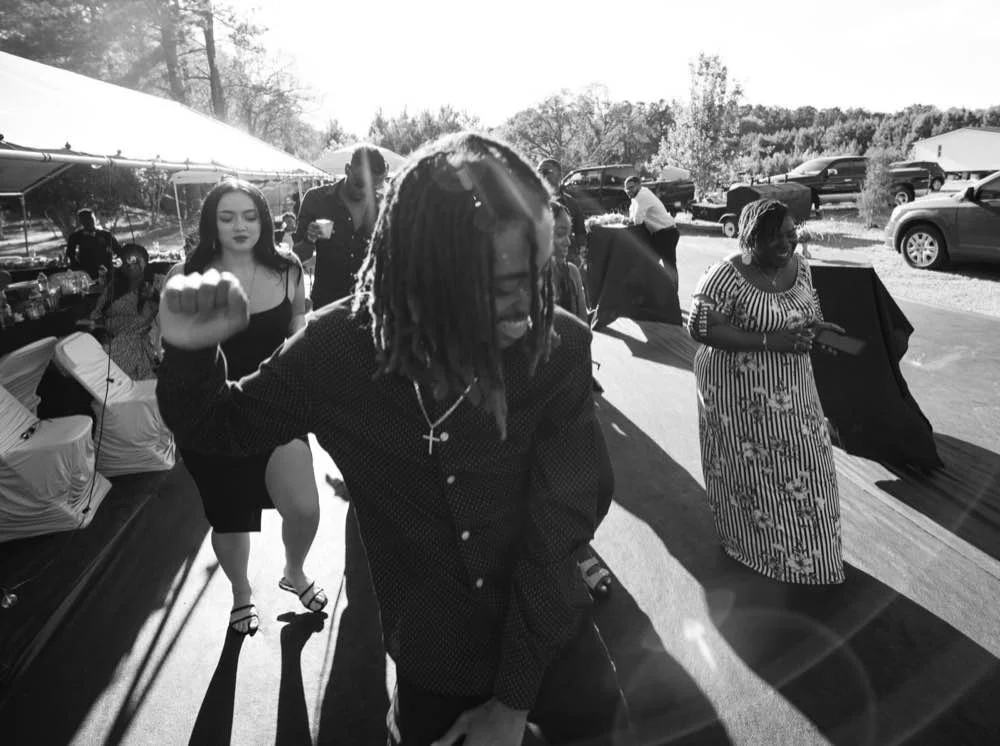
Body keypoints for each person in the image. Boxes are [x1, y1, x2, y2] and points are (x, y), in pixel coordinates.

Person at [156, 133, 630, 745]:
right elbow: (220, 426)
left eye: (534, 271)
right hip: (436, 666)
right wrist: (191, 353)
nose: (526, 306)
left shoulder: (556, 348)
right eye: (497, 281)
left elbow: (559, 527)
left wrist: (512, 705)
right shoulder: (338, 351)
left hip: (555, 653)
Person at [166, 179, 325, 637]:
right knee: (230, 517)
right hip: (212, 415)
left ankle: (293, 570)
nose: (240, 225)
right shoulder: (188, 274)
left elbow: (301, 314)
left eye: (249, 216)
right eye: (227, 216)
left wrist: (301, 336)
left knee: (304, 507)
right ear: (212, 223)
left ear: (264, 220)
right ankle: (241, 593)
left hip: (275, 404)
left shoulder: (287, 267)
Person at [687, 198, 847, 585]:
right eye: (772, 237)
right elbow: (699, 326)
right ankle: (754, 546)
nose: (785, 244)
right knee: (749, 471)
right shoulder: (726, 273)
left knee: (810, 465)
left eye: (790, 235)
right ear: (749, 239)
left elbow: (810, 310)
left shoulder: (802, 266)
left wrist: (820, 328)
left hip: (793, 385)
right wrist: (766, 340)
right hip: (734, 392)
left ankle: (813, 556)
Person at [292, 144, 387, 309]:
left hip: (370, 305)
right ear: (347, 169)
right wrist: (309, 240)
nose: (365, 191)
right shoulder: (317, 199)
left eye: (373, 187)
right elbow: (298, 256)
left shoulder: (384, 205)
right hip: (327, 305)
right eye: (359, 183)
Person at [83, 243, 160, 380]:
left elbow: (169, 306)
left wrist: (154, 296)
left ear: (145, 260)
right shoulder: (113, 287)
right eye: (123, 261)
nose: (129, 265)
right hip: (112, 340)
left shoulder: (156, 283)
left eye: (134, 259)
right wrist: (103, 334)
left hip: (142, 342)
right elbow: (96, 315)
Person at [623, 176, 679, 283]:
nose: (628, 191)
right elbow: (632, 215)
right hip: (658, 234)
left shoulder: (642, 195)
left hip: (667, 233)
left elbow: (637, 220)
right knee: (649, 264)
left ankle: (673, 295)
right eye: (626, 189)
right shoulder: (637, 196)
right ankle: (656, 291)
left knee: (669, 266)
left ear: (639, 185)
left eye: (631, 187)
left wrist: (629, 220)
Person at [549, 201, 588, 323]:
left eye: (569, 234)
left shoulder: (572, 272)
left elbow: (584, 329)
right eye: (560, 234)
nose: (568, 242)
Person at [66, 208, 120, 280]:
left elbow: (118, 249)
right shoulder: (75, 236)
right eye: (85, 220)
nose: (90, 222)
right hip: (85, 274)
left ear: (94, 218)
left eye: (91, 218)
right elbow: (70, 254)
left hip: (106, 271)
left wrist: (116, 262)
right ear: (81, 222)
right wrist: (79, 269)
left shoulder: (105, 234)